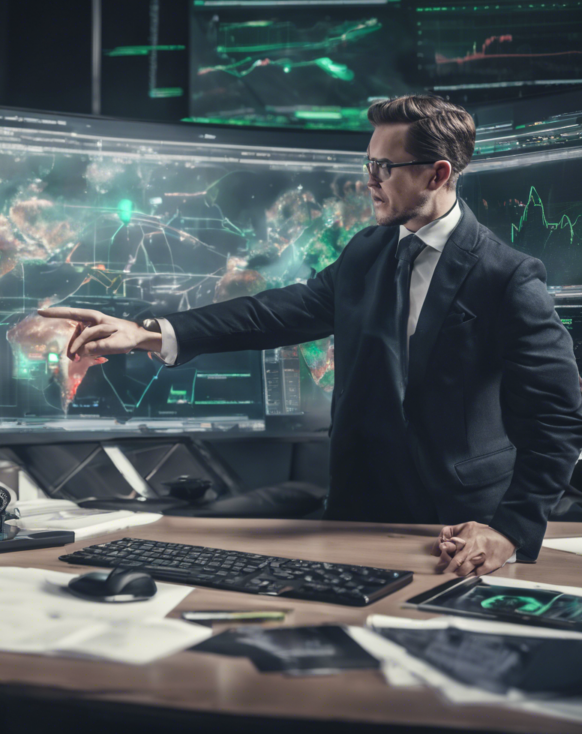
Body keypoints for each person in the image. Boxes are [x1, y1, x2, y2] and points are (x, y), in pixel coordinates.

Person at [39, 95, 582, 577]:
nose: (369, 179)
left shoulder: (506, 276)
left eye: (384, 167)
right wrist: (147, 334)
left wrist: (510, 530)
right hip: (358, 510)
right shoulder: (369, 250)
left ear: (437, 174)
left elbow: (556, 419)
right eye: (368, 163)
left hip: (456, 529)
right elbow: (280, 313)